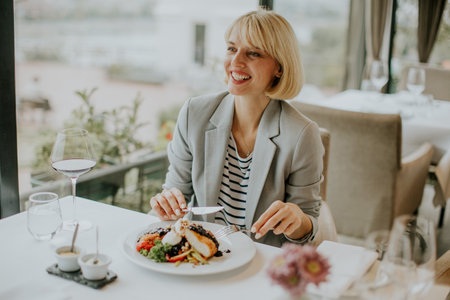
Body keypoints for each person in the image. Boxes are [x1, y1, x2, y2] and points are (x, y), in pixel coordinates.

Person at [150, 9, 324, 247]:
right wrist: (167, 203)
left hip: (262, 264)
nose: (236, 61)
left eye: (253, 53)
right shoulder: (194, 114)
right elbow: (175, 192)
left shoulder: (302, 134)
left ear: (279, 68)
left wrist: (296, 220)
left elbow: (308, 228)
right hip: (200, 255)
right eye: (232, 48)